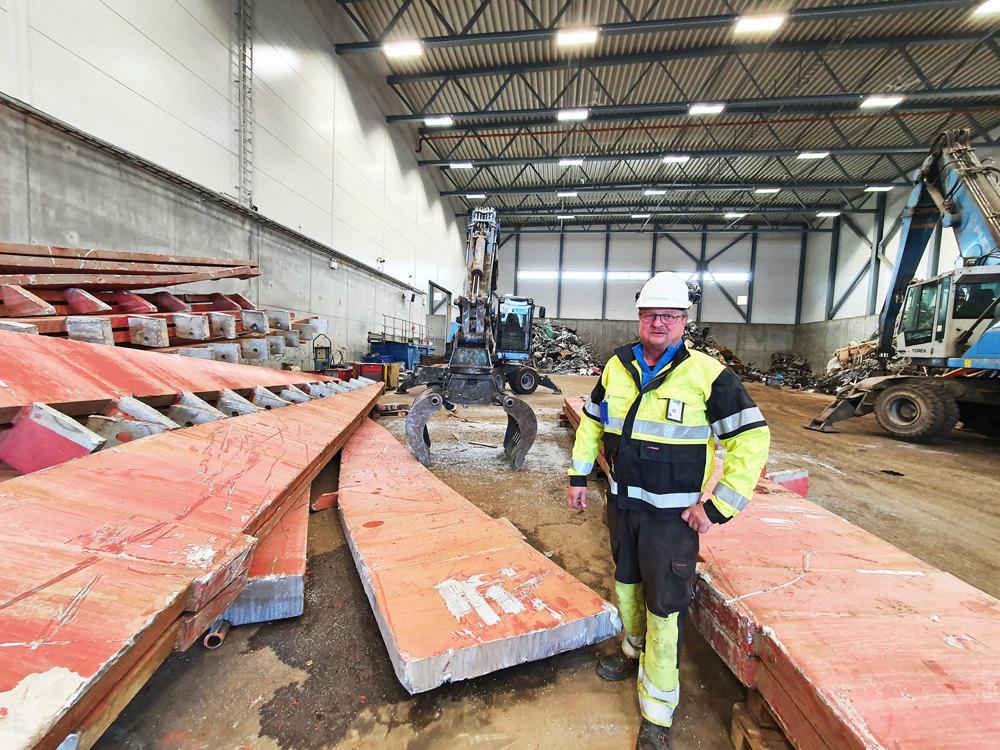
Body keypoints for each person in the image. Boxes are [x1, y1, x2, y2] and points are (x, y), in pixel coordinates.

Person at [567, 271, 770, 750]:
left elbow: (752, 438)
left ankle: (658, 711)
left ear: (684, 321)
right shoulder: (617, 365)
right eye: (651, 314)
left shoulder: (708, 375)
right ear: (640, 317)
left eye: (670, 315)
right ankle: (632, 652)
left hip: (672, 522)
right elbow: (593, 425)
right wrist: (578, 478)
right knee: (626, 585)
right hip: (622, 506)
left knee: (664, 607)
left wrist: (717, 508)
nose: (659, 322)